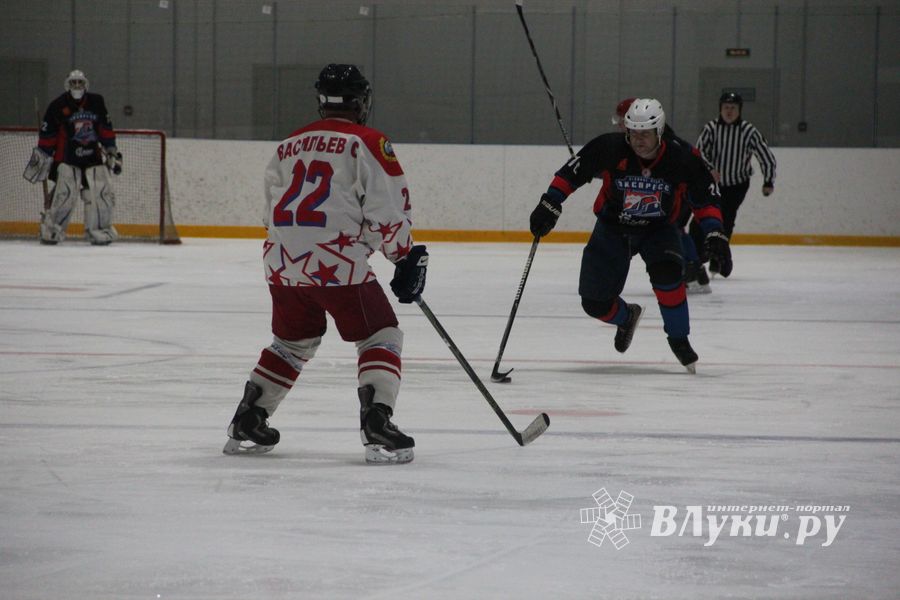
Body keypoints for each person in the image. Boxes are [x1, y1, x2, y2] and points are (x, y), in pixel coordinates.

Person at [223, 64, 427, 464]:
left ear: (322, 101)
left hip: (281, 261)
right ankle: (377, 421)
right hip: (336, 263)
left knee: (291, 342)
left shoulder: (288, 144)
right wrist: (403, 256)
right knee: (380, 334)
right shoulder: (369, 141)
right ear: (361, 102)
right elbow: (387, 208)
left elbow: (269, 211)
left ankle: (248, 418)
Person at [529, 98, 731, 372]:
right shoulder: (610, 147)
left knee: (668, 276)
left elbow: (705, 198)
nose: (638, 140)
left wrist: (715, 232)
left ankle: (679, 340)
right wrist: (550, 203)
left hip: (658, 230)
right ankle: (626, 317)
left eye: (645, 134)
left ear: (659, 131)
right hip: (613, 228)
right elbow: (572, 172)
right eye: (633, 133)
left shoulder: (681, 157)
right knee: (594, 303)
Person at [614, 97, 714, 293]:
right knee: (676, 228)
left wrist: (707, 172)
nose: (618, 125)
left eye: (620, 120)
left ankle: (693, 270)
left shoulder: (663, 140)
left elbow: (691, 157)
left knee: (673, 227)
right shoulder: (644, 138)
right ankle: (696, 272)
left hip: (676, 192)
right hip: (668, 192)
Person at [23, 69, 122, 245]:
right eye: (73, 82)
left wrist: (111, 149)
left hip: (93, 159)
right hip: (66, 159)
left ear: (86, 84)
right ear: (67, 85)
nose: (77, 85)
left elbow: (105, 128)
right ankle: (51, 230)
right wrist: (43, 156)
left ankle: (100, 231)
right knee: (65, 194)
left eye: (80, 82)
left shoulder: (96, 102)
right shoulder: (57, 105)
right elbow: (48, 136)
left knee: (100, 193)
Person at [692, 91, 777, 276]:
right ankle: (697, 256)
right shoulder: (711, 128)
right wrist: (709, 169)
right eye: (726, 108)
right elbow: (699, 152)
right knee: (701, 219)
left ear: (740, 110)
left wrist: (768, 180)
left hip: (737, 185)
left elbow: (766, 156)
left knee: (726, 219)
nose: (729, 111)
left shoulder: (749, 131)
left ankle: (718, 256)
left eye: (733, 108)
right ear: (720, 109)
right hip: (713, 184)